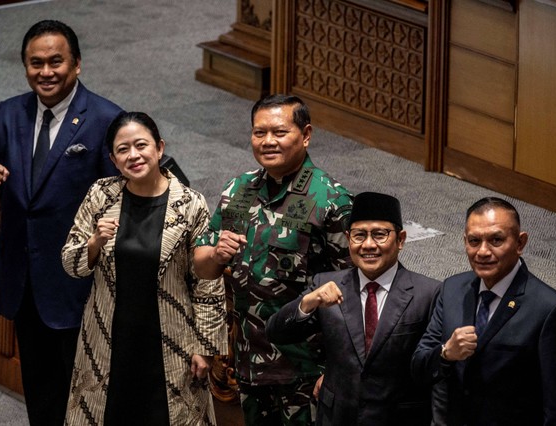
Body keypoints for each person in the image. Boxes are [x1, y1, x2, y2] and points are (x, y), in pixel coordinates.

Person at [0, 20, 122, 426]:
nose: (45, 72)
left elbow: (122, 192)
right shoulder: (10, 112)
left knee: (86, 394)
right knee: (40, 389)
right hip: (25, 280)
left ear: (77, 64)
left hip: (79, 283)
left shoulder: (105, 118)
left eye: (55, 62)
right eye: (36, 63)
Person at [193, 94, 354, 425]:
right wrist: (216, 254)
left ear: (305, 135)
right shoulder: (238, 190)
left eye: (279, 132)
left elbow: (352, 292)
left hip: (304, 372)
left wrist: (336, 371)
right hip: (247, 363)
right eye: (258, 132)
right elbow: (201, 265)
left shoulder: (331, 201)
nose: (267, 141)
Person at [61, 111, 228, 425]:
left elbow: (208, 281)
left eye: (141, 145)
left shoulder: (191, 204)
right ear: (112, 158)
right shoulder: (101, 195)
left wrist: (205, 347)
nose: (133, 155)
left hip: (172, 340)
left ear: (160, 148)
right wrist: (95, 241)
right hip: (109, 337)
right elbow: (71, 263)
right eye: (123, 150)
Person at [266, 192, 441, 425]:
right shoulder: (325, 285)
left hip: (398, 418)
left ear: (400, 240)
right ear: (348, 239)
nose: (368, 245)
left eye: (380, 235)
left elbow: (433, 367)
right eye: (359, 235)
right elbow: (276, 332)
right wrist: (306, 303)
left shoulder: (428, 293)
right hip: (338, 416)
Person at [412, 197, 556, 425]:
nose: (482, 251)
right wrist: (446, 353)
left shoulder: (550, 310)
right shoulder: (452, 289)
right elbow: (419, 366)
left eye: (496, 240)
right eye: (474, 241)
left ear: (520, 243)